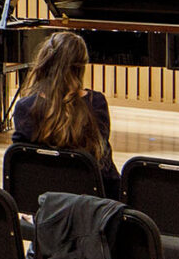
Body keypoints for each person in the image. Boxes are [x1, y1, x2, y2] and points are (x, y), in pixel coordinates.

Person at [10, 29, 118, 193]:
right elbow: (104, 168)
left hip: (42, 204)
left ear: (45, 60)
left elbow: (21, 166)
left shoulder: (25, 107)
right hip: (89, 206)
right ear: (81, 65)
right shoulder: (96, 103)